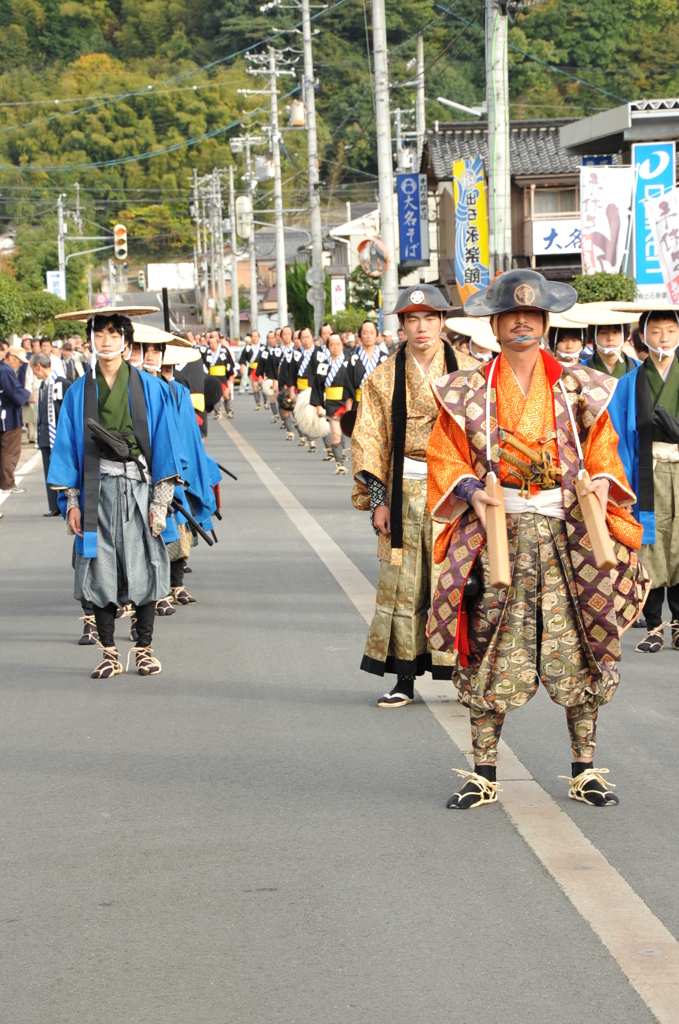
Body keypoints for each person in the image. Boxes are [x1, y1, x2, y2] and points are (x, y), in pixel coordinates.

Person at [426, 270, 650, 809]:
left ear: (546, 323)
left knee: (585, 640)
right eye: (511, 315)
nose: (522, 322)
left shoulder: (582, 386)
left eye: (532, 315)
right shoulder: (467, 389)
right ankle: (483, 771)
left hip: (568, 529)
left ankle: (585, 768)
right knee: (487, 642)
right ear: (494, 325)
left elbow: (604, 450)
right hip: (497, 529)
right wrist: (471, 488)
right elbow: (445, 452)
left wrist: (600, 479)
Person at [48, 306, 184, 679]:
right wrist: (72, 503)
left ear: (126, 342)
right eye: (99, 334)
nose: (106, 341)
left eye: (113, 334)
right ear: (90, 340)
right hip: (97, 493)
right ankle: (109, 652)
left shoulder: (152, 387)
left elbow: (166, 447)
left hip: (140, 491)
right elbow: (67, 451)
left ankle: (144, 649)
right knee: (100, 571)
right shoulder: (79, 392)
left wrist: (160, 504)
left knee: (145, 568)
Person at [351, 285, 459, 707]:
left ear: (442, 323)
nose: (422, 327)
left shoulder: (468, 371)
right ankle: (404, 678)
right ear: (401, 326)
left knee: (457, 581)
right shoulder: (382, 377)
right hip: (403, 489)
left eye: (430, 318)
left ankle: (463, 672)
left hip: (456, 490)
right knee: (402, 585)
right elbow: (369, 439)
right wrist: (378, 498)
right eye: (412, 319)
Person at [608, 305, 679, 654]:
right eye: (655, 331)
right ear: (642, 336)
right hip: (645, 472)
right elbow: (617, 434)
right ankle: (655, 625)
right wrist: (621, 484)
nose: (663, 338)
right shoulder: (629, 382)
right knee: (648, 544)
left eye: (670, 330)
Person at [30, 352, 71, 515]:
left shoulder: (60, 383)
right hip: (46, 435)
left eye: (33, 368)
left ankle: (63, 504)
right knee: (49, 471)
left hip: (58, 435)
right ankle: (54, 505)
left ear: (38, 366)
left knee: (60, 470)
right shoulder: (44, 385)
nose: (33, 372)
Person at [311, 333, 355, 473]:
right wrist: (318, 406)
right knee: (335, 433)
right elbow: (317, 386)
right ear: (328, 347)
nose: (335, 347)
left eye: (338, 344)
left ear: (342, 345)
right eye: (332, 345)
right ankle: (339, 463)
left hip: (348, 400)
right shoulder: (323, 365)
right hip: (331, 403)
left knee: (351, 432)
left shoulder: (350, 361)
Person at [0, 346, 31, 493]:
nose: (20, 364)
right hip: (8, 417)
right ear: (12, 357)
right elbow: (14, 392)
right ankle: (8, 483)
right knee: (10, 451)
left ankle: (6, 481)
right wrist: (28, 395)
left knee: (6, 451)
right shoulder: (6, 371)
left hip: (5, 415)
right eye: (19, 361)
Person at [203, 334, 236, 419]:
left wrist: (230, 375)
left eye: (214, 342)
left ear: (217, 343)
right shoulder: (207, 353)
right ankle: (218, 412)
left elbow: (229, 363)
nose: (213, 344)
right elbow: (204, 366)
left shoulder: (224, 351)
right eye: (211, 343)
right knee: (215, 395)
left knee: (226, 394)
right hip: (212, 376)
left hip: (222, 375)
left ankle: (229, 410)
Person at [238, 331, 265, 409]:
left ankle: (265, 402)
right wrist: (242, 367)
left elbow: (267, 359)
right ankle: (258, 404)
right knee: (255, 386)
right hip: (253, 368)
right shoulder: (248, 347)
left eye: (256, 336)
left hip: (262, 369)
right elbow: (243, 358)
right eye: (253, 336)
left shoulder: (263, 347)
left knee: (263, 386)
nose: (254, 338)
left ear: (259, 337)